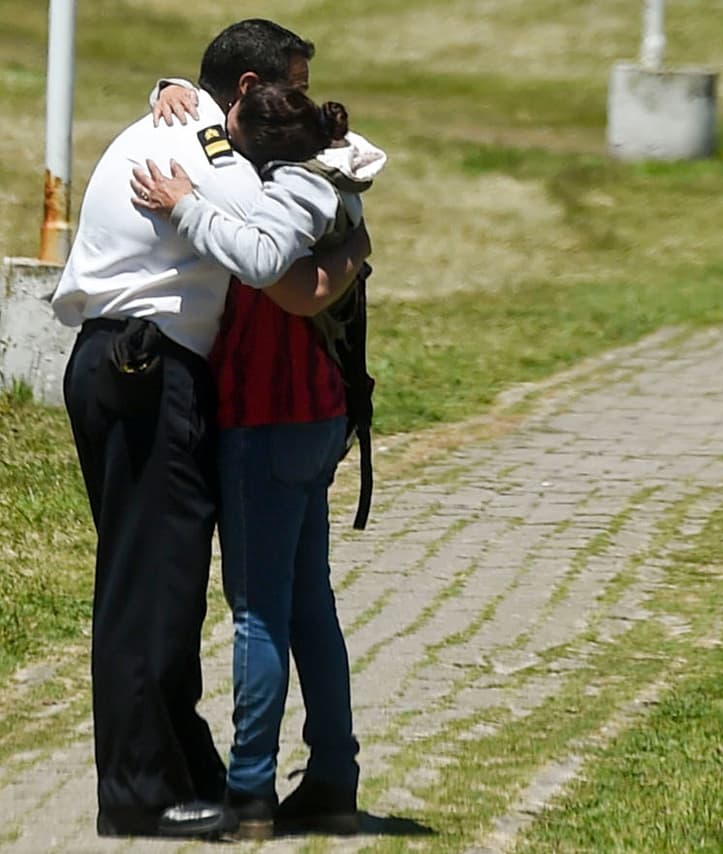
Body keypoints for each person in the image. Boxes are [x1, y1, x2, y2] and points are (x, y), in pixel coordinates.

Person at [51, 19, 369, 840]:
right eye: (293, 89)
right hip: (143, 366)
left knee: (167, 583)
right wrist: (352, 235)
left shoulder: (193, 129)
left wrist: (167, 84)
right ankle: (141, 794)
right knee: (148, 588)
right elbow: (275, 251)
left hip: (140, 365)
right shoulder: (205, 161)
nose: (307, 107)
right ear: (249, 93)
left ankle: (183, 769)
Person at [130, 83, 387, 840]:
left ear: (257, 143)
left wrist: (183, 204)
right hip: (317, 415)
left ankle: (249, 794)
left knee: (259, 617)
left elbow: (270, 267)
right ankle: (335, 777)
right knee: (311, 606)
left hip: (269, 417)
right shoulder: (326, 177)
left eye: (230, 127)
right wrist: (170, 89)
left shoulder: (286, 196)